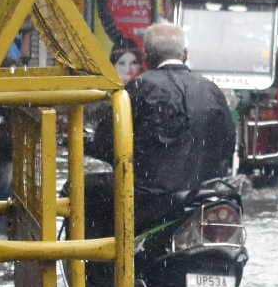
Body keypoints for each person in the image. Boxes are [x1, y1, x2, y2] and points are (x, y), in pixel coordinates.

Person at [100, 20, 235, 232]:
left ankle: (98, 263)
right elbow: (228, 145)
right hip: (205, 197)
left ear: (147, 56)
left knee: (86, 190)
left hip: (150, 202)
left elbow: (107, 142)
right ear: (185, 54)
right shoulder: (211, 90)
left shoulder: (137, 89)